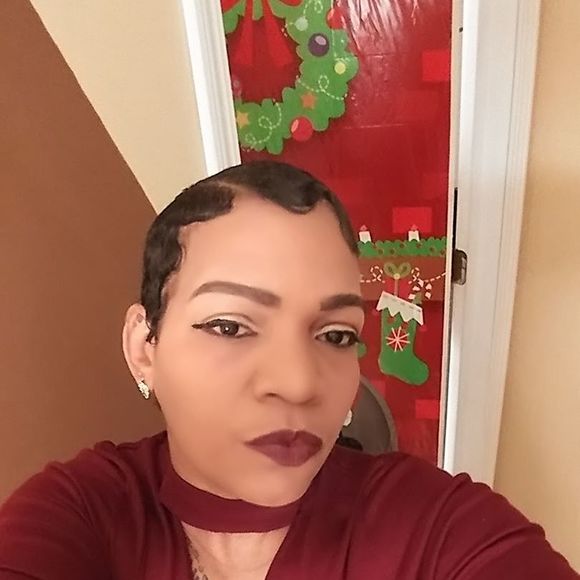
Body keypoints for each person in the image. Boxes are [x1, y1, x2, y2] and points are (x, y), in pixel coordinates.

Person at [0, 161, 576, 580]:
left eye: (336, 335)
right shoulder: (82, 511)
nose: (299, 384)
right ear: (144, 346)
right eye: (230, 326)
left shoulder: (434, 524)